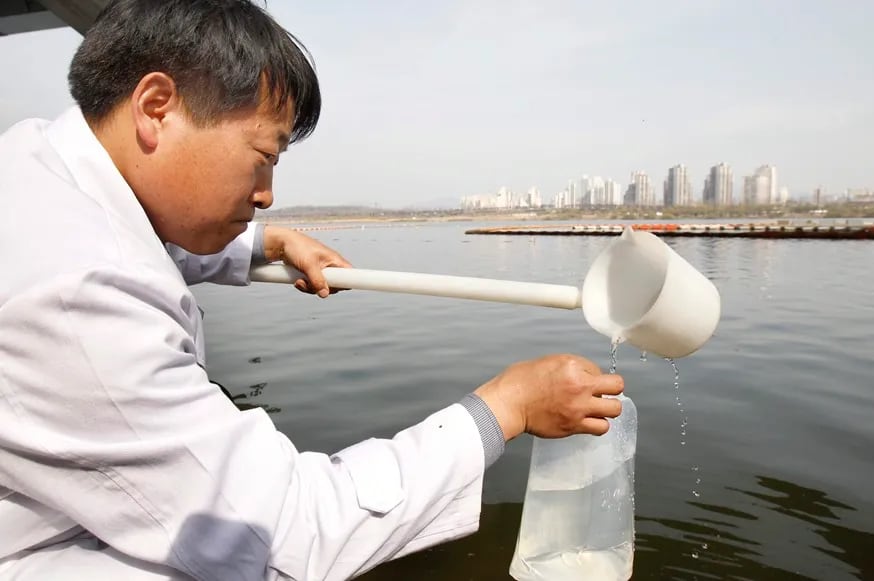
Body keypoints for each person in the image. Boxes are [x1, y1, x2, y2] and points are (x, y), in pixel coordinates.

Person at [0, 1, 625, 579]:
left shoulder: (39, 170)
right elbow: (284, 532)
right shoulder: (76, 292)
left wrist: (266, 243)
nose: (267, 191)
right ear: (157, 106)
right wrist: (504, 409)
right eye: (263, 155)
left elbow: (141, 246)